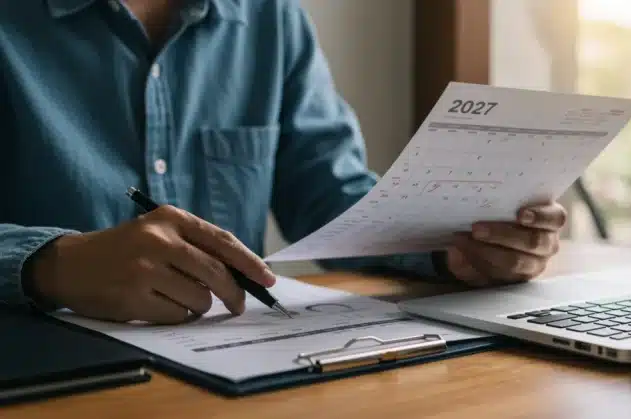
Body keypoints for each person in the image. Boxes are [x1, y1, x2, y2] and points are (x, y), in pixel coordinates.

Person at [0, 0, 567, 324]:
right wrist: (52, 264)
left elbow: (329, 196)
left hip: (225, 375)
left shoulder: (271, 16)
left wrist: (455, 247)